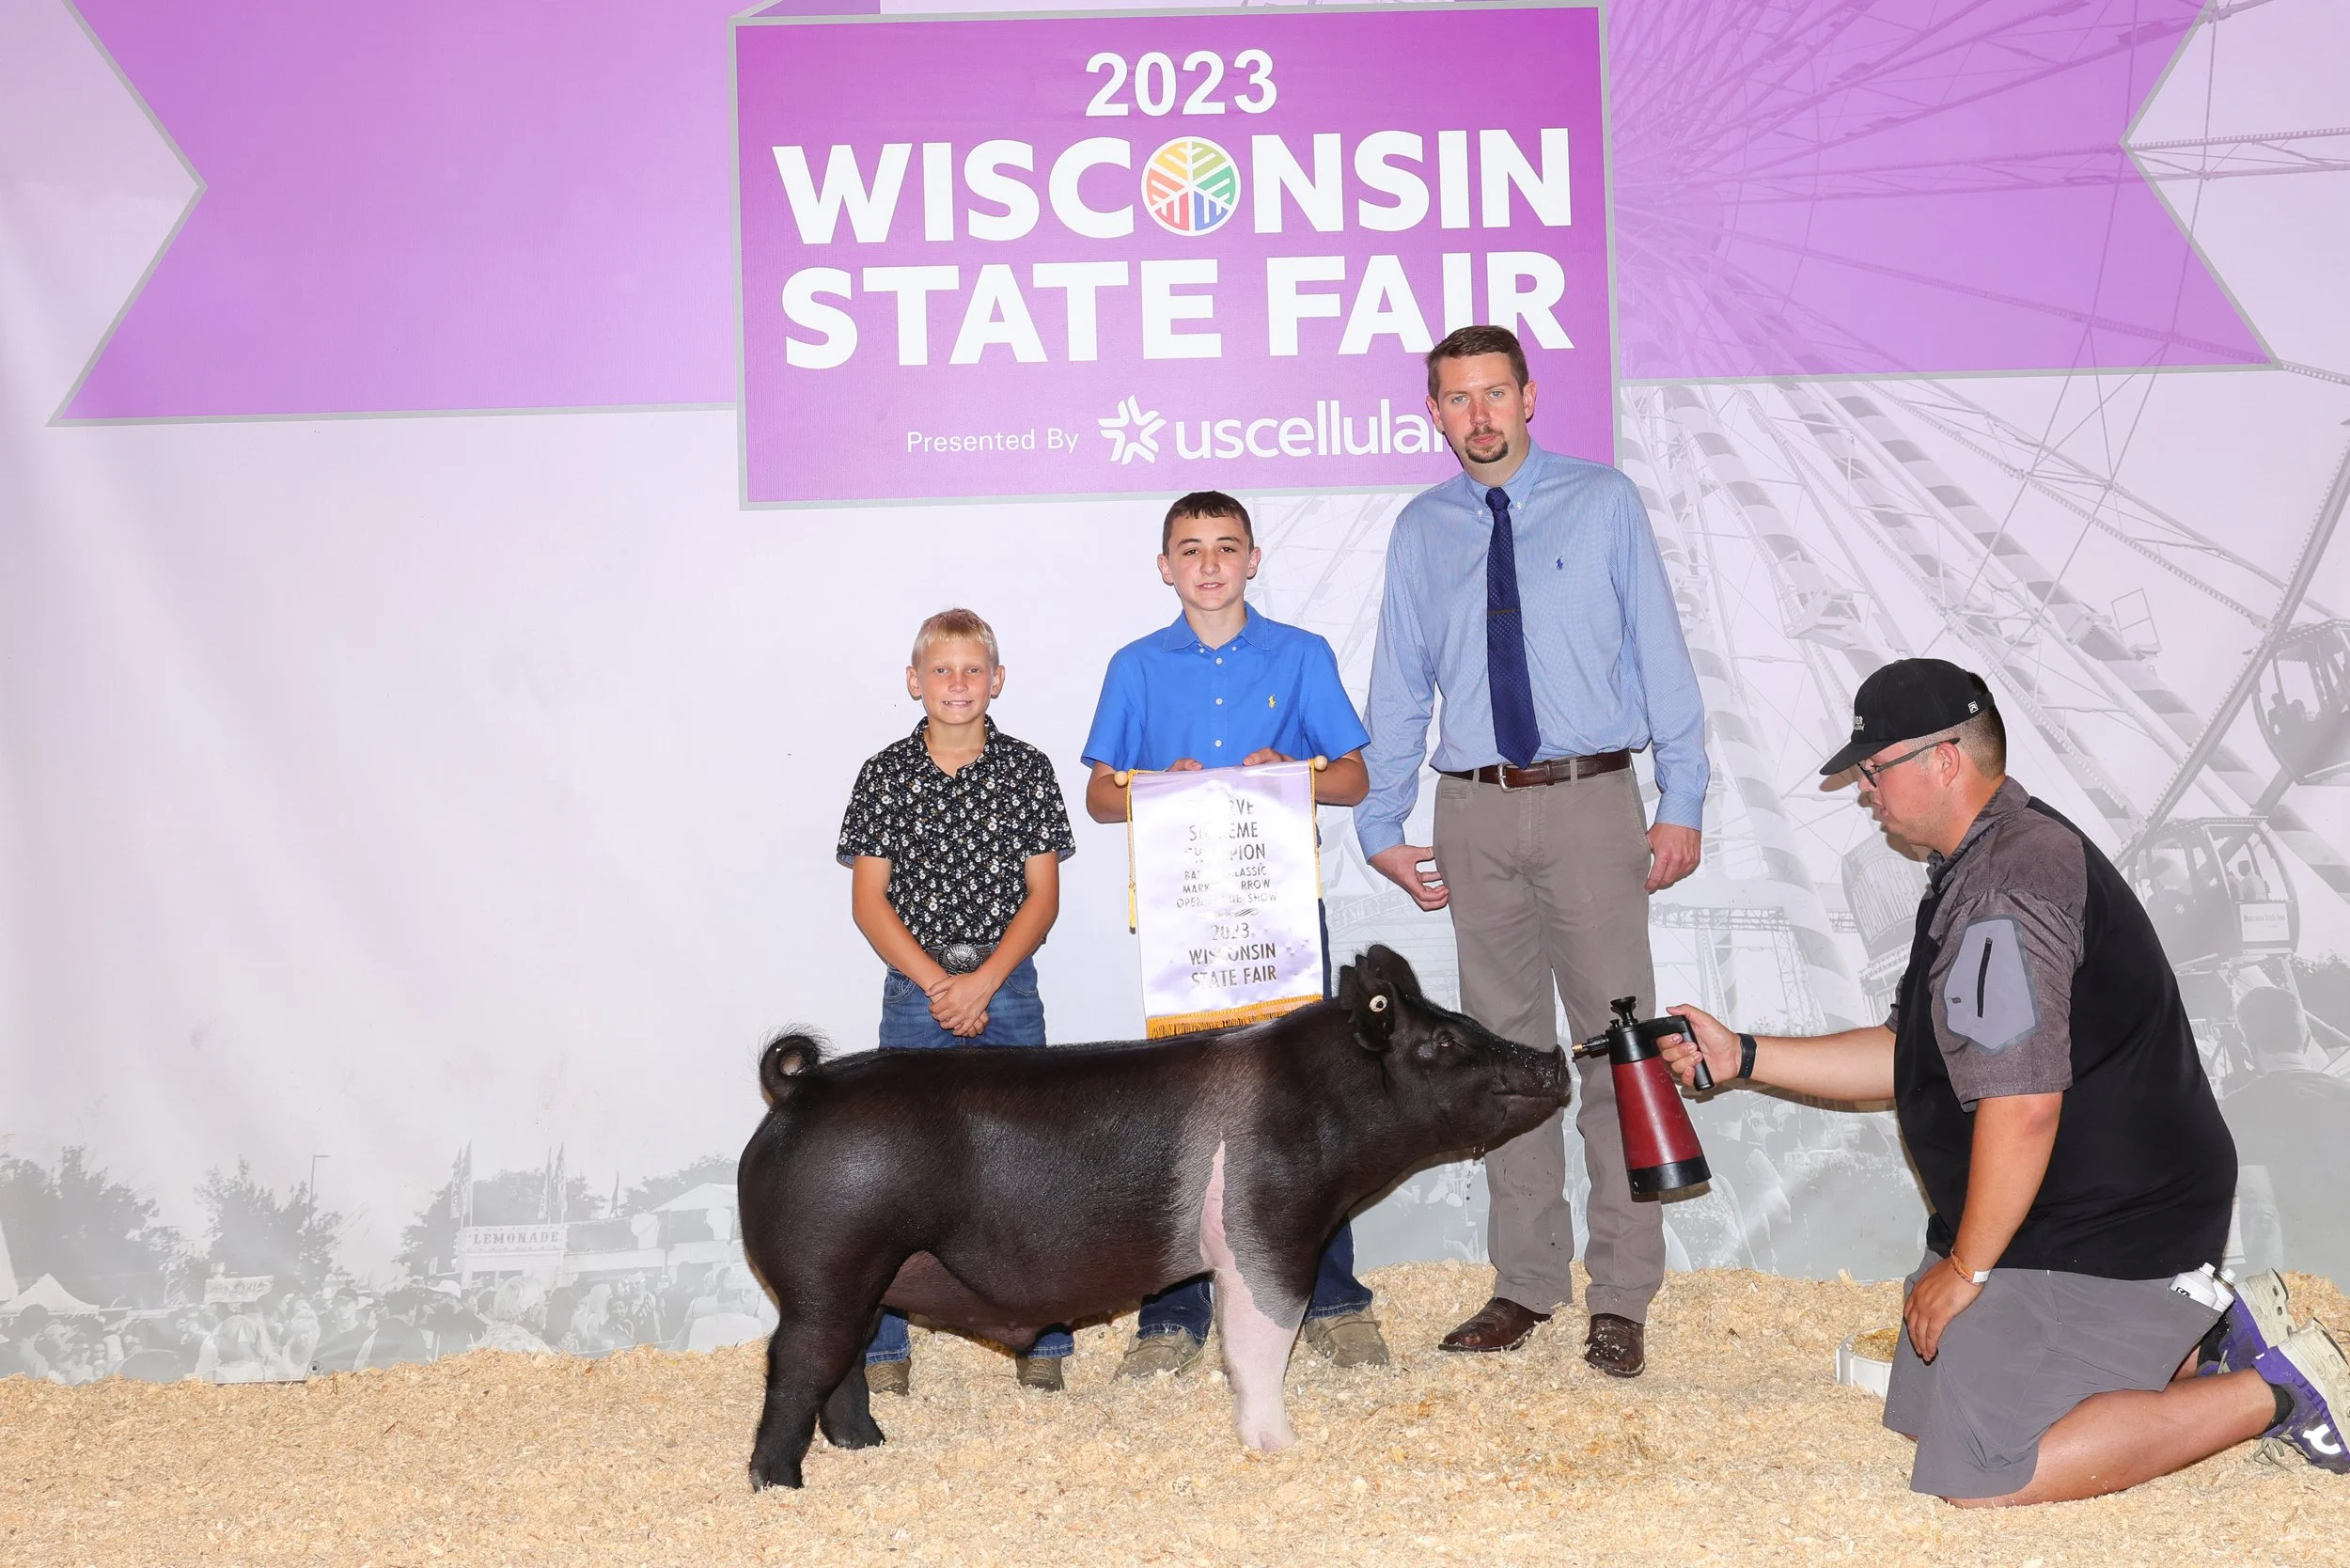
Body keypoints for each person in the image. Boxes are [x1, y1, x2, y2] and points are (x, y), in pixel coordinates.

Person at [1661, 657, 2350, 1504]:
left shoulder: (2006, 886)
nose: (1864, 790)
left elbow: (2022, 1108)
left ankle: (2282, 1387)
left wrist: (1968, 1267)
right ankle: (2200, 1344)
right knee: (1921, 1413)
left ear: (1944, 760)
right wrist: (1747, 1056)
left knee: (1980, 1472)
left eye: (1874, 769)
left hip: (2103, 1235)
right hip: (2061, 1217)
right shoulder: (1985, 858)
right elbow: (1905, 1052)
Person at [1358, 324, 1706, 1376]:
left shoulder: (1603, 503)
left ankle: (1625, 1293)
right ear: (1434, 413)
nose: (1478, 416)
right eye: (1456, 399)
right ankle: (1525, 1283)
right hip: (1473, 814)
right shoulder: (1421, 530)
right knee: (1502, 1066)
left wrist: (1681, 794)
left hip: (1591, 800)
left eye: (1494, 394)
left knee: (1619, 1054)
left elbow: (1659, 649)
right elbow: (1398, 680)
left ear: (1529, 396)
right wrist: (1380, 819)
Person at [1081, 489, 1388, 1377]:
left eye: (1226, 546)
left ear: (1253, 559)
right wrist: (1151, 784)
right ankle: (1169, 1319)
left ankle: (1330, 1299)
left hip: (1282, 918)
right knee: (1180, 1113)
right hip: (1185, 923)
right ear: (1166, 566)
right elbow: (1102, 798)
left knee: (1304, 1111)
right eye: (1191, 548)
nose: (1209, 563)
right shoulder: (1136, 666)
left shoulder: (1301, 656)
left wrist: (1295, 771)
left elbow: (1355, 781)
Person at [838, 606, 1078, 1393]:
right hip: (916, 997)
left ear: (997, 681)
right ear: (914, 682)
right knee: (898, 1177)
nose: (957, 683)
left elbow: (1041, 899)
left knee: (1029, 1169)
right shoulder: (883, 773)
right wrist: (940, 985)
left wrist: (983, 983)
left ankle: (1041, 1342)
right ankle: (882, 1351)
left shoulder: (1030, 770)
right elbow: (869, 902)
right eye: (941, 670)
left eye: (973, 669)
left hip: (1008, 993)